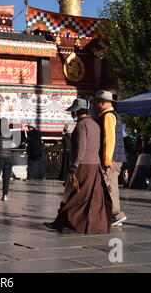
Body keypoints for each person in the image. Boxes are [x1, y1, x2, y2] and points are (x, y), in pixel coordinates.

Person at [44, 98, 112, 234]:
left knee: (76, 194)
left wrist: (75, 164)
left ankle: (61, 221)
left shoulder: (81, 126)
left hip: (83, 165)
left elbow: (81, 147)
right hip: (94, 164)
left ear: (76, 112)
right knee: (90, 196)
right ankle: (90, 224)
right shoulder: (95, 124)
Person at [94, 90, 127, 227]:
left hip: (111, 158)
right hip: (113, 157)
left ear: (103, 103)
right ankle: (111, 214)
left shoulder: (108, 116)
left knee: (110, 186)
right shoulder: (106, 115)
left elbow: (110, 139)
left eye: (97, 101)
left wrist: (107, 160)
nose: (95, 104)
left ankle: (117, 214)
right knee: (108, 186)